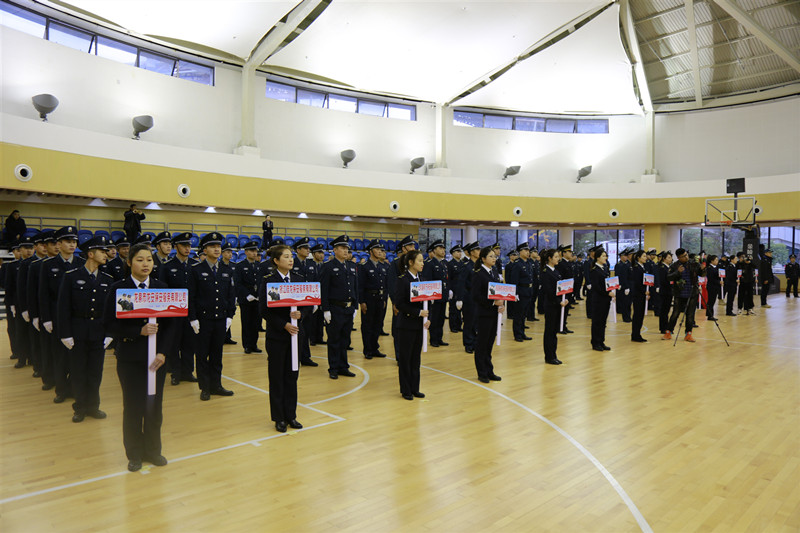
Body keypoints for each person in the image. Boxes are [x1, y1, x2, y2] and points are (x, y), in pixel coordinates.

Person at [103, 242, 172, 472]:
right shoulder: (119, 289)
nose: (145, 264)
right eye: (140, 259)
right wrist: (137, 331)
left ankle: (153, 450)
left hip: (157, 360)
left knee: (154, 406)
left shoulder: (162, 288)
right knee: (133, 406)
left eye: (149, 260)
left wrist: (163, 352)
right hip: (130, 358)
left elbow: (172, 326)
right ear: (129, 262)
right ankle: (134, 453)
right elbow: (109, 324)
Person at [57, 236, 114, 423]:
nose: (105, 254)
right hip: (78, 332)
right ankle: (80, 407)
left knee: (95, 372)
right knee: (78, 371)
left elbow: (110, 310)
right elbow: (63, 308)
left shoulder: (107, 279)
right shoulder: (71, 276)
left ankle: (93, 406)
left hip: (98, 332)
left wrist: (110, 333)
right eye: (102, 251)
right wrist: (65, 334)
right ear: (90, 254)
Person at [260, 245, 308, 432]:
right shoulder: (269, 281)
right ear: (276, 260)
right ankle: (279, 417)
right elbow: (264, 311)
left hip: (296, 336)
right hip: (277, 336)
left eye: (291, 256)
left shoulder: (299, 279)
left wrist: (301, 315)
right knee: (277, 376)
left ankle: (291, 415)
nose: (290, 259)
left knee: (292, 375)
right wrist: (284, 324)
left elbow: (307, 305)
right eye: (286, 256)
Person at [40, 226, 85, 403]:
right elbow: (43, 294)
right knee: (59, 356)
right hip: (57, 317)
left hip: (77, 317)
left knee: (76, 356)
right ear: (58, 244)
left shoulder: (81, 263)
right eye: (68, 241)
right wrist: (46, 319)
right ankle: (61, 390)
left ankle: (74, 388)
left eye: (74, 241)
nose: (72, 245)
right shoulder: (48, 265)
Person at [188, 232, 236, 401]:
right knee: (202, 355)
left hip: (220, 319)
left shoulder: (227, 270)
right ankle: (205, 387)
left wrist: (230, 315)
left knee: (217, 354)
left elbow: (231, 294)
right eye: (212, 246)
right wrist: (192, 318)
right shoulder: (196, 270)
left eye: (218, 246)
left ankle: (216, 385)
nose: (216, 249)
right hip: (203, 320)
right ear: (205, 249)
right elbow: (191, 296)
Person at [158, 232, 198, 385]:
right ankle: (176, 373)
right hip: (174, 312)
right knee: (174, 344)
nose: (187, 248)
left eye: (189, 245)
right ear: (176, 247)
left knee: (189, 343)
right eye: (184, 245)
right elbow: (163, 289)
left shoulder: (194, 265)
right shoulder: (167, 266)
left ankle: (188, 372)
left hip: (191, 311)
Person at [319, 235, 358, 380]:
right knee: (334, 340)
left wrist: (355, 306)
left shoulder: (352, 266)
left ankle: (343, 366)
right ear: (335, 250)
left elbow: (355, 287)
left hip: (348, 308)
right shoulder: (328, 267)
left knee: (345, 339)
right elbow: (324, 289)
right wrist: (325, 309)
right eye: (342, 248)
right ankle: (333, 368)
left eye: (347, 248)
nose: (346, 250)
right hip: (335, 308)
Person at [393, 249, 430, 400]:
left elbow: (427, 302)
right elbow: (399, 304)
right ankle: (406, 389)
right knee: (405, 358)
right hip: (406, 325)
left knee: (416, 358)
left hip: (419, 325)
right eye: (419, 260)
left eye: (423, 261)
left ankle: (415, 388)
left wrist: (427, 317)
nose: (422, 263)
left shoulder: (422, 280)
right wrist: (418, 312)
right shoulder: (403, 280)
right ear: (410, 262)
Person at [471, 246, 504, 383]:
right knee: (482, 343)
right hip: (484, 313)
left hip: (494, 313)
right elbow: (476, 296)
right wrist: (492, 303)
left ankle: (489, 370)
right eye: (491, 256)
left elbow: (500, 291)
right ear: (483, 259)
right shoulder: (478, 274)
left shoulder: (494, 272)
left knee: (489, 343)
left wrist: (501, 304)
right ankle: (482, 372)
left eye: (494, 256)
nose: (494, 258)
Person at [664, 248, 705, 342]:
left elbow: (702, 274)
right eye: (683, 256)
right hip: (679, 293)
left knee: (690, 315)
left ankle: (688, 334)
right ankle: (668, 332)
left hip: (692, 293)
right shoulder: (674, 266)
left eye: (686, 255)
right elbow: (669, 277)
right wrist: (678, 272)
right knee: (675, 314)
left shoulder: (694, 264)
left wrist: (703, 269)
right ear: (679, 257)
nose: (686, 257)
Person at [290, 237, 319, 366]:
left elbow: (316, 283)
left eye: (308, 248)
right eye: (305, 248)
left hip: (308, 302)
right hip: (295, 301)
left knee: (307, 330)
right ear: (298, 250)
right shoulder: (292, 262)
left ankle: (305, 357)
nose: (308, 250)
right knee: (296, 330)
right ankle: (294, 356)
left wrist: (316, 301)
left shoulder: (311, 264)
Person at [358, 239, 389, 359]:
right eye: (377, 249)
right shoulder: (364, 266)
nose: (380, 251)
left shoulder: (382, 266)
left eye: (380, 249)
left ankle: (375, 348)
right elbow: (360, 286)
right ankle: (367, 349)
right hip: (369, 299)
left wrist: (384, 299)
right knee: (367, 325)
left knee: (377, 324)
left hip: (380, 299)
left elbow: (384, 285)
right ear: (371, 251)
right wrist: (362, 302)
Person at [234, 240, 263, 355]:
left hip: (257, 299)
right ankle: (247, 345)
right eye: (252, 251)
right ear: (246, 252)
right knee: (246, 323)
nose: (254, 253)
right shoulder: (240, 266)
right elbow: (238, 283)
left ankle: (254, 344)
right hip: (246, 299)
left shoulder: (259, 266)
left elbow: (261, 282)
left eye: (255, 251)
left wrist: (260, 294)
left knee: (256, 323)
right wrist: (246, 294)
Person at [540, 248, 567, 364]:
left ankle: (553, 354)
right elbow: (549, 290)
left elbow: (560, 288)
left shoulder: (555, 271)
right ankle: (549, 356)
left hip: (558, 304)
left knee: (554, 331)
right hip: (551, 305)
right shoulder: (545, 272)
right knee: (550, 331)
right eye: (556, 257)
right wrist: (558, 301)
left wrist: (564, 299)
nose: (558, 259)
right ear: (549, 258)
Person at [422, 239, 450, 347]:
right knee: (434, 318)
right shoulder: (429, 264)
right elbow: (427, 280)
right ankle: (433, 339)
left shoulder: (444, 263)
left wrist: (448, 290)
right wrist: (430, 295)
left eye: (443, 248)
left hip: (443, 295)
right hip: (434, 296)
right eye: (440, 248)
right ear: (434, 250)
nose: (443, 250)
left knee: (441, 318)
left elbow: (446, 279)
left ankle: (439, 338)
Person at [505, 242, 533, 342]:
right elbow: (514, 281)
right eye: (525, 250)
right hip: (521, 292)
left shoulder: (528, 263)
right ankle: (517, 334)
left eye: (528, 250)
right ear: (520, 252)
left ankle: (522, 332)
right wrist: (515, 293)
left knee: (524, 315)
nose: (528, 252)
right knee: (518, 315)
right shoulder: (517, 264)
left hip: (528, 291)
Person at [0, 242, 22, 362]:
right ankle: (16, 351)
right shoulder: (7, 266)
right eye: (17, 250)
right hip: (12, 300)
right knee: (13, 328)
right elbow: (4, 283)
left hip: (23, 301)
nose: (20, 253)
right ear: (13, 252)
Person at [590, 248, 614, 352]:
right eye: (603, 256)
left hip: (605, 299)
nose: (605, 258)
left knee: (603, 321)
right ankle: (595, 342)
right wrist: (607, 293)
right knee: (597, 321)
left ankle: (601, 341)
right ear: (598, 257)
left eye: (606, 256)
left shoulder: (604, 268)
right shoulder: (595, 270)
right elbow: (597, 287)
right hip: (598, 300)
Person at [459, 241, 481, 354]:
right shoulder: (467, 266)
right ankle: (468, 343)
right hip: (469, 298)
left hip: (478, 298)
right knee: (469, 322)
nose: (479, 252)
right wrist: (460, 299)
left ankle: (475, 342)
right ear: (472, 252)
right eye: (477, 250)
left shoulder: (479, 266)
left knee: (476, 322)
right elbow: (461, 283)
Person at [309, 242, 327, 345]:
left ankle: (319, 337)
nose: (321, 255)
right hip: (313, 294)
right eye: (319, 253)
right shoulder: (310, 265)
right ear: (313, 254)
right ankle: (312, 338)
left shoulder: (324, 266)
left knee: (321, 316)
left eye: (322, 253)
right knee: (313, 317)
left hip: (322, 294)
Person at [630, 250, 649, 342]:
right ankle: (635, 335)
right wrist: (644, 291)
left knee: (640, 315)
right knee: (638, 315)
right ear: (638, 257)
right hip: (638, 294)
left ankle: (637, 334)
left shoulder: (642, 267)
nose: (646, 258)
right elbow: (637, 283)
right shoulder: (636, 268)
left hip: (641, 294)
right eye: (644, 256)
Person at [447, 244, 466, 333]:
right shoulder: (450, 264)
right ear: (453, 253)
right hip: (453, 290)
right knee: (453, 309)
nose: (460, 253)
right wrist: (449, 289)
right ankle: (453, 326)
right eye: (457, 252)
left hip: (461, 290)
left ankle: (459, 325)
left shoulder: (462, 264)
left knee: (460, 309)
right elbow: (448, 278)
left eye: (460, 252)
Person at [656, 251, 673, 333]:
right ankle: (663, 328)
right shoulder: (662, 268)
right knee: (663, 310)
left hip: (669, 291)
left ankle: (666, 326)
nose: (671, 259)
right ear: (664, 259)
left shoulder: (669, 267)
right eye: (669, 257)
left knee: (667, 310)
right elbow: (663, 280)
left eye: (671, 257)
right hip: (664, 291)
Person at [616, 248, 632, 322]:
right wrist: (619, 284)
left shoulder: (628, 264)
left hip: (627, 285)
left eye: (626, 256)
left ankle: (627, 315)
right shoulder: (619, 265)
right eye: (624, 256)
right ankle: (623, 314)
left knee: (628, 302)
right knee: (623, 301)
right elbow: (619, 275)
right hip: (622, 285)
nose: (626, 257)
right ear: (621, 256)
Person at [705, 255, 721, 320]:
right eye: (716, 260)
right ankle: (710, 315)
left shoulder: (716, 267)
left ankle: (711, 314)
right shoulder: (709, 268)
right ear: (712, 261)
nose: (717, 261)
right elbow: (711, 278)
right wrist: (718, 282)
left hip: (716, 287)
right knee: (711, 301)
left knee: (713, 301)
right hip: (711, 286)